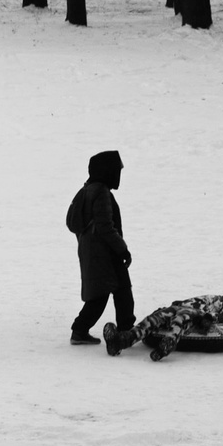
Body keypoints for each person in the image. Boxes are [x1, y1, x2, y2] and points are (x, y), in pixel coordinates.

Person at [67, 150, 135, 350]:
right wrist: (123, 250)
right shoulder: (100, 192)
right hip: (104, 252)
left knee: (116, 289)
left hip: (96, 252)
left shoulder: (89, 189)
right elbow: (106, 227)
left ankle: (125, 328)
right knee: (106, 293)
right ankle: (82, 330)